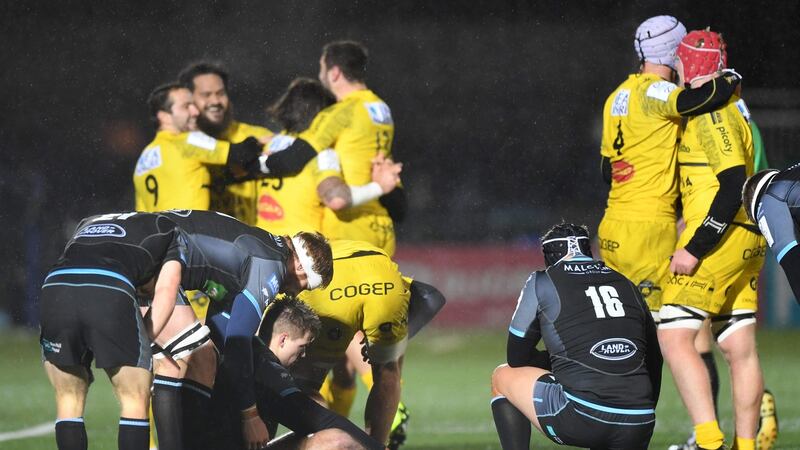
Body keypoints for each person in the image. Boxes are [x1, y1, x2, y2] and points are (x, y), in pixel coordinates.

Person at [141, 210, 333, 450]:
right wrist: (250, 415)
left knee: (198, 357)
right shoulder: (269, 265)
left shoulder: (258, 248)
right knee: (189, 361)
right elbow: (238, 344)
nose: (294, 293)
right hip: (149, 259)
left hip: (146, 246)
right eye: (305, 286)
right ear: (302, 268)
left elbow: (222, 332)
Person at [657, 29, 766, 450]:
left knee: (673, 335)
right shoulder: (734, 107)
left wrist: (695, 245)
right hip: (747, 238)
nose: (678, 69)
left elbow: (732, 183)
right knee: (739, 346)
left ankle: (706, 440)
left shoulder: (711, 114)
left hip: (723, 240)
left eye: (682, 62)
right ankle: (746, 445)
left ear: (693, 65)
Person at [598, 15, 740, 318]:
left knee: (618, 325)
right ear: (670, 52)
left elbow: (606, 169)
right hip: (650, 228)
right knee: (658, 330)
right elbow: (701, 98)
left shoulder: (615, 97)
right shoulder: (655, 92)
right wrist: (730, 78)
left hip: (613, 224)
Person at [490, 223, 662, 450]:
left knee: (502, 376)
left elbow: (517, 357)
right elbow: (654, 359)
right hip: (639, 421)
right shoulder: (626, 283)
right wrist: (641, 409)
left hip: (580, 419)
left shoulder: (542, 281)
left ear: (549, 255)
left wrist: (557, 362)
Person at [39, 212, 184, 450]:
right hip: (110, 287)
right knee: (134, 397)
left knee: (68, 397)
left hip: (55, 287)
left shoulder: (88, 222)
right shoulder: (169, 229)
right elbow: (166, 289)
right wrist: (145, 341)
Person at [290, 240, 445, 448]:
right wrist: (394, 342)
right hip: (380, 273)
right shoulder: (364, 256)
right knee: (387, 371)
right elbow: (432, 297)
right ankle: (377, 445)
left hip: (330, 286)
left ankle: (328, 444)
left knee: (306, 385)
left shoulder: (292, 269)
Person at [210, 297, 385, 450]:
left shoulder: (244, 351)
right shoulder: (268, 369)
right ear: (283, 339)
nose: (303, 355)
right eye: (302, 347)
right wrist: (376, 447)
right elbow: (318, 419)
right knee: (336, 442)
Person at [256, 77, 402, 237]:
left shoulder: (271, 144)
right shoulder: (320, 153)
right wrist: (379, 186)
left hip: (264, 240)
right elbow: (337, 199)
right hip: (297, 248)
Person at [133, 82, 264, 212]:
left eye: (194, 105)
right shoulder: (187, 141)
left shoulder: (143, 160)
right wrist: (263, 141)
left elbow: (141, 211)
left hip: (159, 231)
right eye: (186, 106)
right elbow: (242, 154)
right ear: (164, 117)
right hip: (189, 230)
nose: (195, 112)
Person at [178, 61, 273, 226]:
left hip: (248, 241)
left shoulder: (254, 135)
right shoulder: (178, 146)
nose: (215, 101)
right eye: (206, 95)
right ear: (189, 101)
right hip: (200, 244)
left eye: (220, 93)